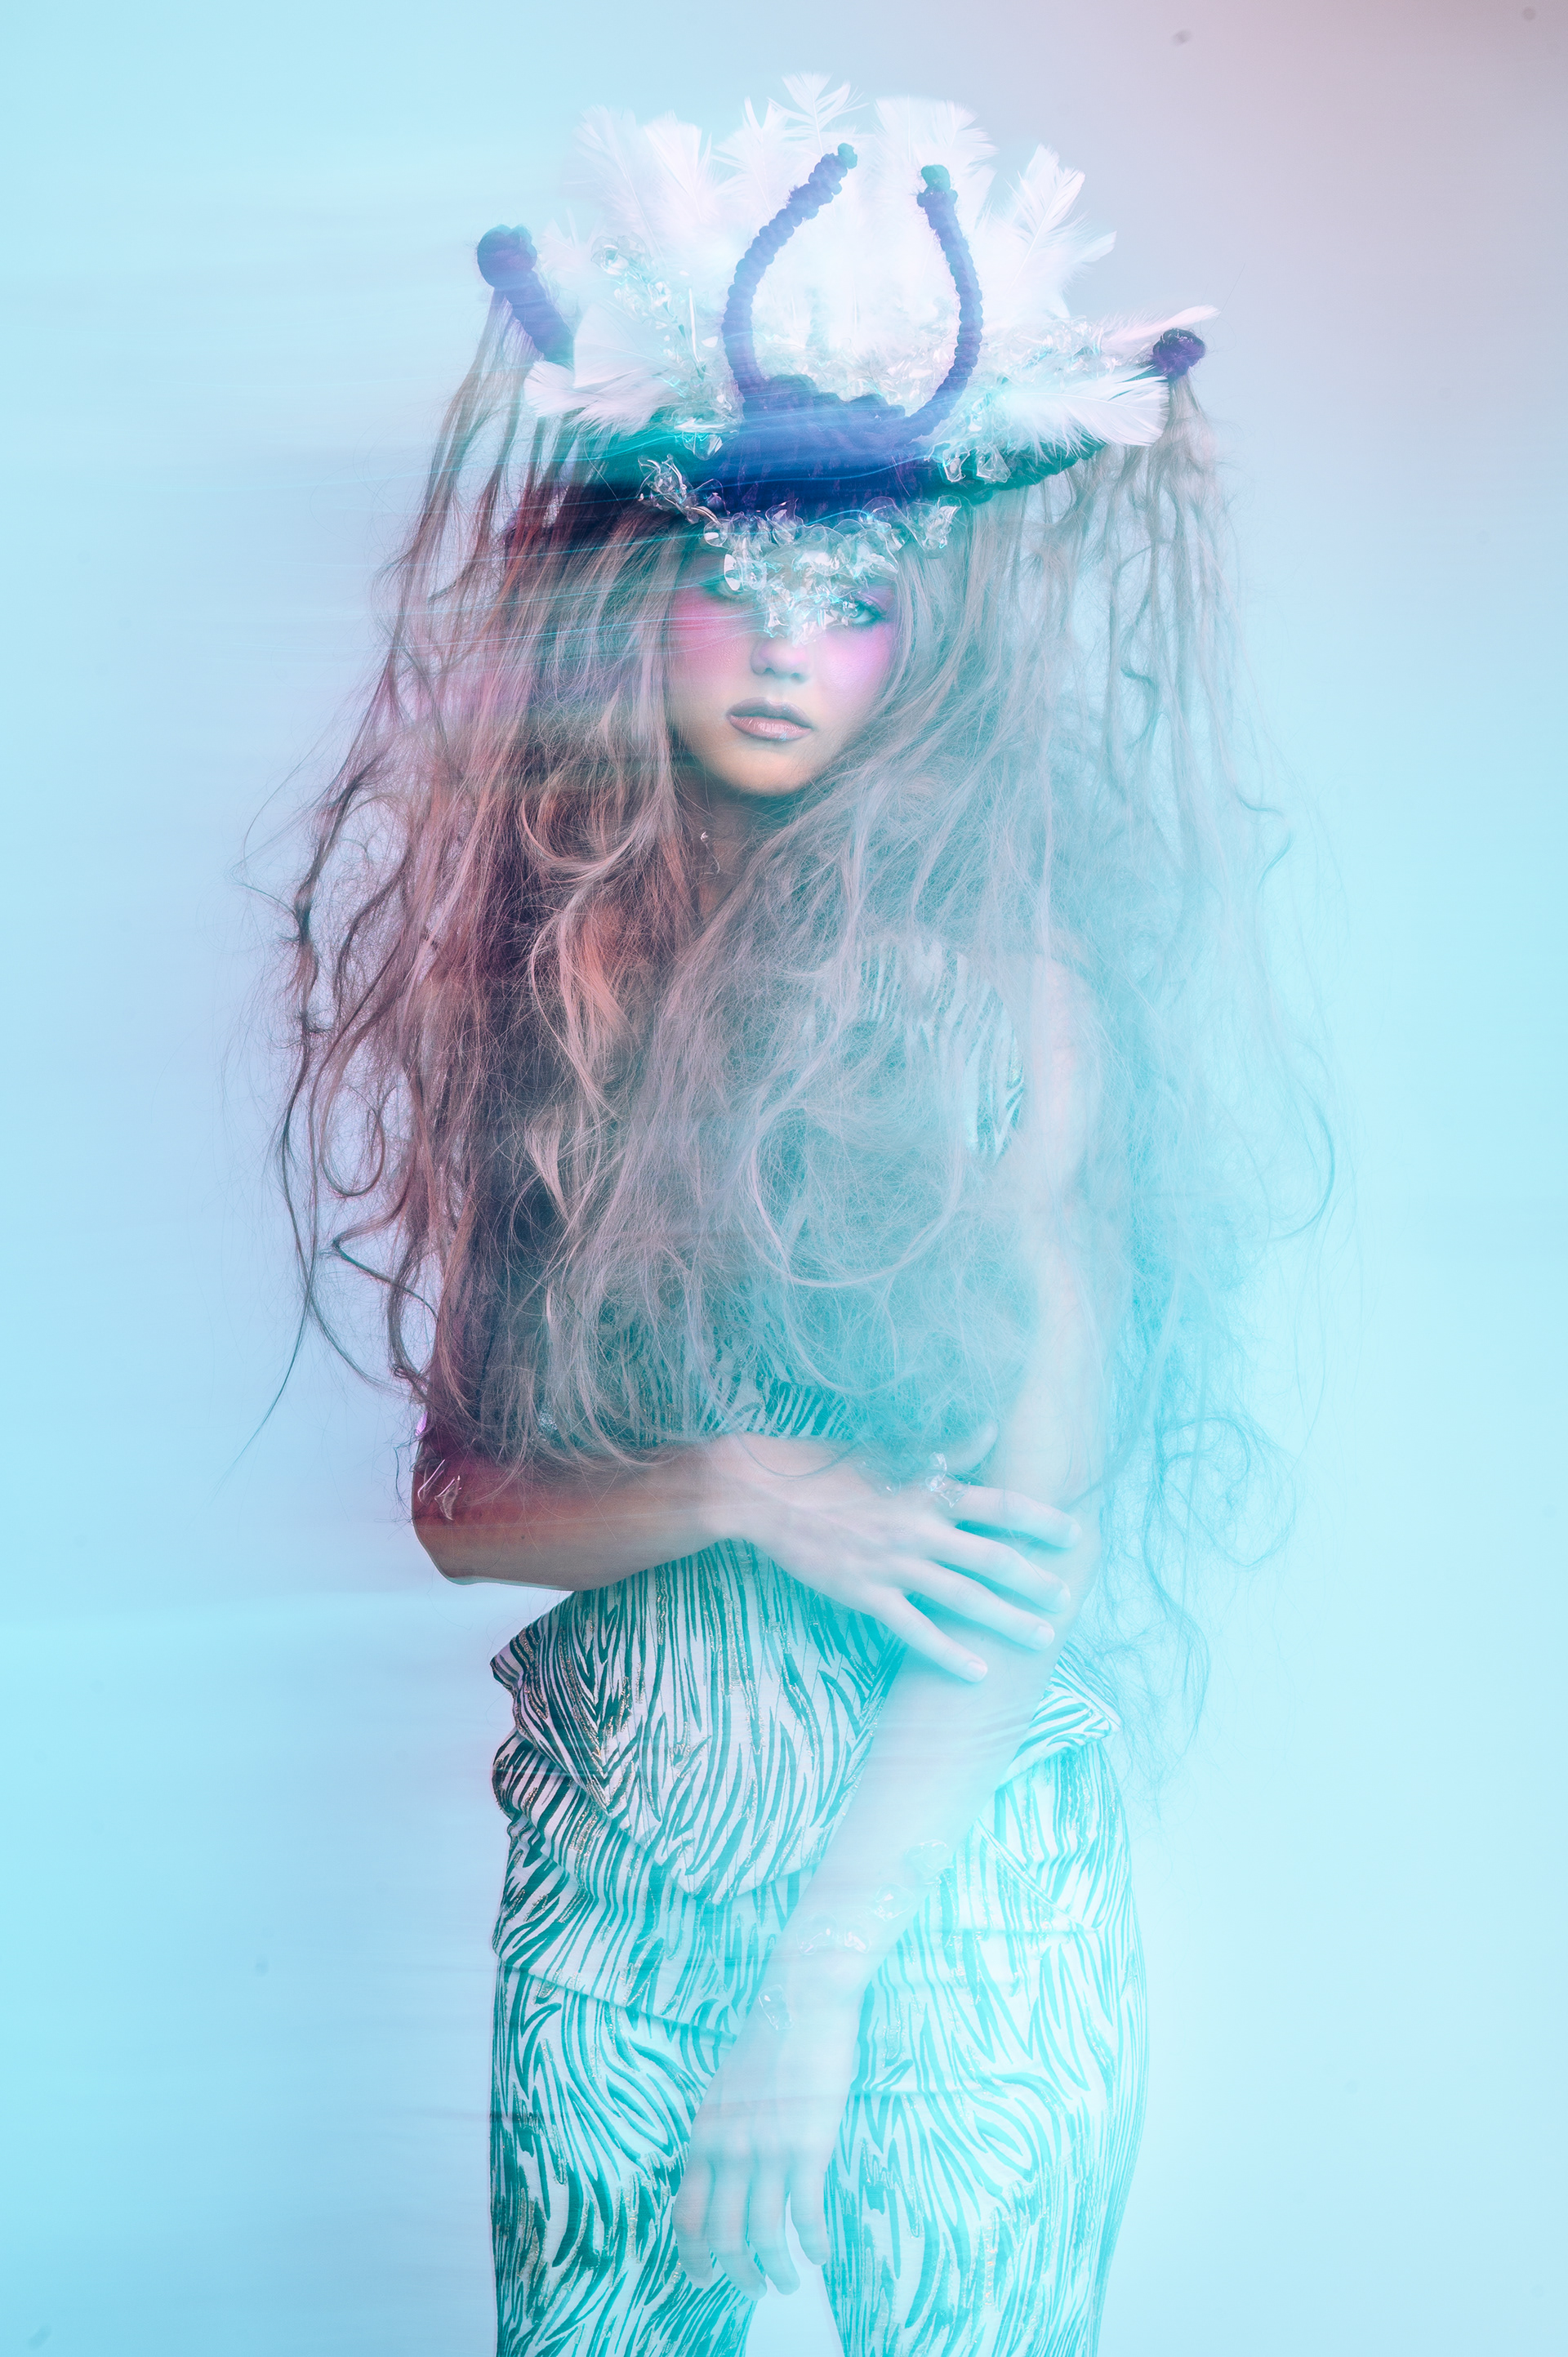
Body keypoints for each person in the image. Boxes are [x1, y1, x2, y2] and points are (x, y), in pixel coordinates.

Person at [281, 78, 1321, 2357]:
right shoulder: (553, 1002)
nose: (780, 648)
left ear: (922, 651)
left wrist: (827, 1984)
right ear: (631, 610)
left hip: (958, 1924)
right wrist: (747, 1488)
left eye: (852, 605)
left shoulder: (1009, 1008)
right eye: (731, 590)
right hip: (615, 1883)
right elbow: (463, 1515)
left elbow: (1022, 1567)